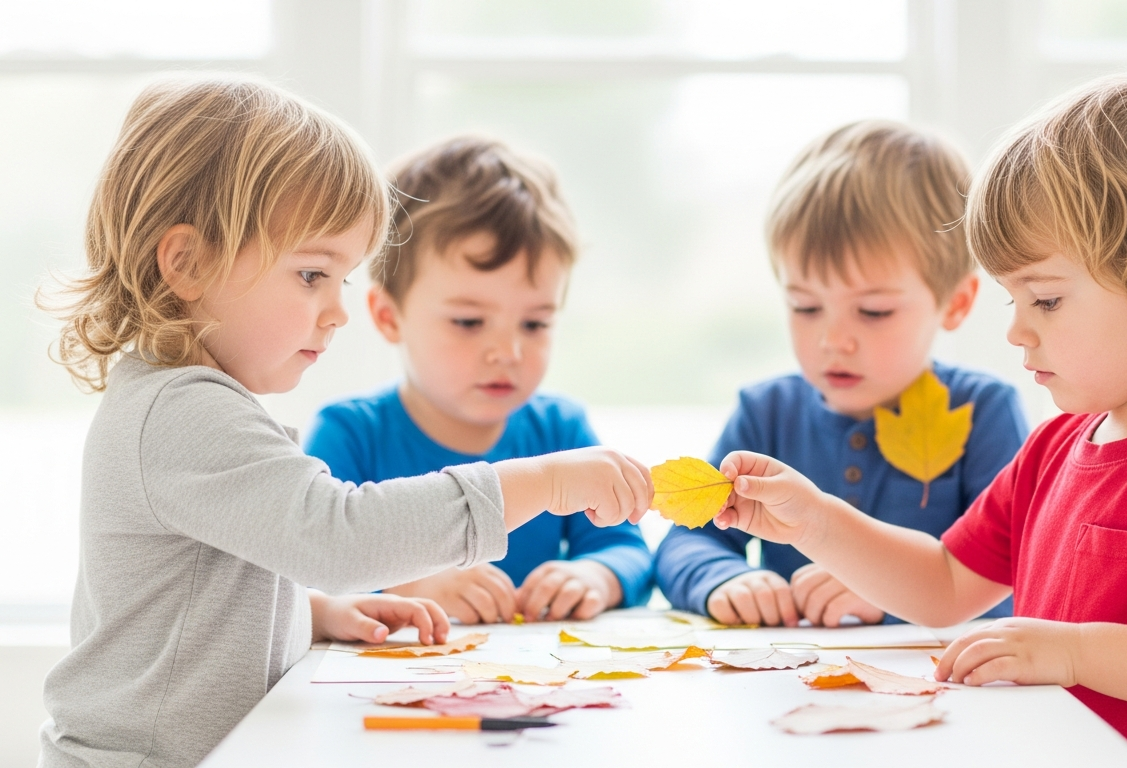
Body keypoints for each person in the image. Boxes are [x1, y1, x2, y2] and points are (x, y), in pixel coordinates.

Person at [711, 75, 1127, 768]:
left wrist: (1072, 652)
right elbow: (946, 583)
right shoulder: (1058, 446)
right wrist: (819, 523)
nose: (1016, 333)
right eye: (1012, 299)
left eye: (1047, 300)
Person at [38, 77, 650, 768]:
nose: (336, 311)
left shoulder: (189, 402)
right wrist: (541, 483)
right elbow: (335, 537)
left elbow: (202, 592)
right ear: (189, 262)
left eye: (343, 280)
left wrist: (312, 615)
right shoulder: (182, 412)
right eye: (311, 276)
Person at [654, 121, 1026, 627]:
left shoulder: (983, 411)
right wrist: (723, 579)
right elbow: (689, 540)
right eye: (806, 307)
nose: (833, 340)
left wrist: (897, 595)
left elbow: (1025, 579)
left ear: (955, 303)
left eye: (872, 312)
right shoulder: (768, 414)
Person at [304, 135, 652, 623]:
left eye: (535, 324)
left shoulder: (559, 430)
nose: (507, 352)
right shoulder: (351, 434)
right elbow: (306, 575)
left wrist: (595, 575)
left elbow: (627, 549)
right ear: (388, 317)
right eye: (468, 322)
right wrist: (415, 584)